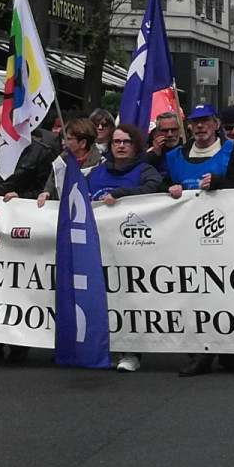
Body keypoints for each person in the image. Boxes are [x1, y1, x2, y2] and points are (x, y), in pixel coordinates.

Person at [165, 104, 234, 377]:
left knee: (224, 295)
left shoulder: (233, 153)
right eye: (195, 122)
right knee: (194, 295)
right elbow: (156, 188)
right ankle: (207, 352)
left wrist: (222, 183)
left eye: (205, 121)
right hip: (185, 239)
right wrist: (167, 189)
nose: (200, 126)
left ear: (216, 124)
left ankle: (221, 352)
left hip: (226, 238)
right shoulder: (174, 156)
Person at [86, 124, 163, 373]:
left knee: (128, 299)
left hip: (131, 248)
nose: (120, 146)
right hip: (98, 245)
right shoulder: (96, 173)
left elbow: (153, 191)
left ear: (136, 146)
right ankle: (101, 349)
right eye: (116, 142)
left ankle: (130, 352)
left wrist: (121, 194)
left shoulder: (145, 170)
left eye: (126, 142)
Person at [0, 106, 54, 202]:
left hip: (21, 212)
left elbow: (45, 191)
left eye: (0, 124)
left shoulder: (40, 153)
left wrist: (20, 196)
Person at [145, 111, 183, 179]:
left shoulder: (188, 149)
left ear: (180, 131)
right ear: (156, 133)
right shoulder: (148, 153)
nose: (170, 134)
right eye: (165, 131)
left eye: (173, 130)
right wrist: (154, 155)